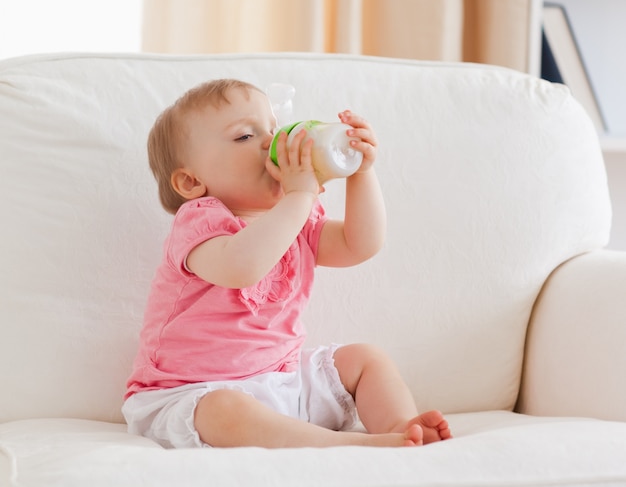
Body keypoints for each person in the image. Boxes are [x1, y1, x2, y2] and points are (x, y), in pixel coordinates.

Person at [123, 78, 452, 449]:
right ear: (191, 181)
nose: (270, 142)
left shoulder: (297, 217)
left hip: (282, 380)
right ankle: (346, 446)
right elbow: (241, 267)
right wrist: (298, 195)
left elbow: (360, 244)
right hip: (192, 394)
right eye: (245, 137)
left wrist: (361, 171)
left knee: (365, 359)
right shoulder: (200, 221)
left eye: (273, 128)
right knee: (224, 410)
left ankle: (399, 427)